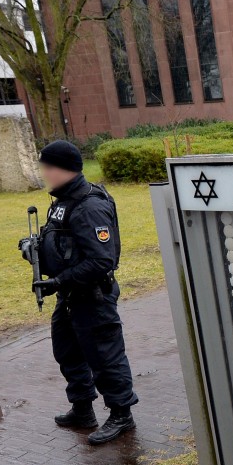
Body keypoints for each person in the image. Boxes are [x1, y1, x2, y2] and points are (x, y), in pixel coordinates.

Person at [21, 140, 137, 445]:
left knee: (106, 357)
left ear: (63, 169)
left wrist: (60, 281)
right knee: (68, 352)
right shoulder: (63, 201)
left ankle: (121, 415)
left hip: (92, 296)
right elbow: (62, 245)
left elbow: (102, 260)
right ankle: (83, 408)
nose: (44, 173)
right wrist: (33, 250)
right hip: (70, 295)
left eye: (47, 167)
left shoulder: (89, 205)